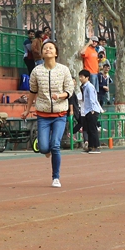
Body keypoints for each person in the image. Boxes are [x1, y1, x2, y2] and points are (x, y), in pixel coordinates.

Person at [23, 40, 74, 187]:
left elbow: (69, 90)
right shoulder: (36, 71)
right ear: (42, 53)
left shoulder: (64, 70)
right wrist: (27, 109)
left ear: (56, 53)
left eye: (51, 48)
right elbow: (32, 91)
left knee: (55, 146)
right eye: (45, 48)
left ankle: (56, 177)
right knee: (44, 148)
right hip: (43, 115)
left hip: (59, 114)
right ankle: (47, 150)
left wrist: (60, 96)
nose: (48, 50)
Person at [78, 69, 102, 154]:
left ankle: (96, 147)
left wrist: (92, 110)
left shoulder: (89, 86)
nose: (80, 78)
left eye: (82, 77)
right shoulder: (84, 86)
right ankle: (91, 147)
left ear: (87, 77)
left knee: (92, 129)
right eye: (79, 77)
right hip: (88, 110)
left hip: (92, 110)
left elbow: (92, 99)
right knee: (88, 129)